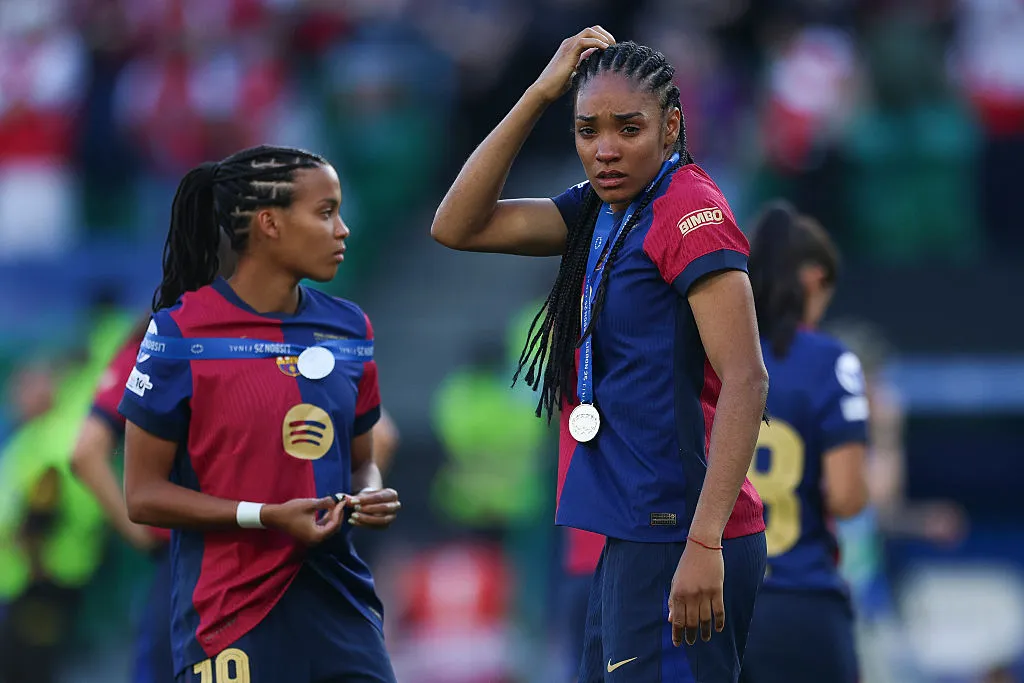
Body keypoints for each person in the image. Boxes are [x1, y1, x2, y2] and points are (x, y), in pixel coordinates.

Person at [432, 29, 768, 682]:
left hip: (681, 531)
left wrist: (704, 541)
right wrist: (538, 93)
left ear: (671, 127)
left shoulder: (690, 212)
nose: (605, 149)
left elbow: (748, 379)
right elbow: (457, 224)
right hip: (630, 531)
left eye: (628, 128)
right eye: (587, 130)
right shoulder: (603, 210)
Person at [118, 144, 401, 683]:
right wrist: (266, 515)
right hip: (231, 618)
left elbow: (362, 461)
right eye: (325, 212)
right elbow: (143, 494)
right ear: (269, 224)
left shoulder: (349, 328)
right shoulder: (179, 333)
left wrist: (368, 493)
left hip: (340, 604)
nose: (343, 230)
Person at [736, 201, 871, 683]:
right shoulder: (829, 361)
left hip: (714, 603)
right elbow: (847, 496)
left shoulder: (709, 356)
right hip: (800, 599)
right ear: (814, 279)